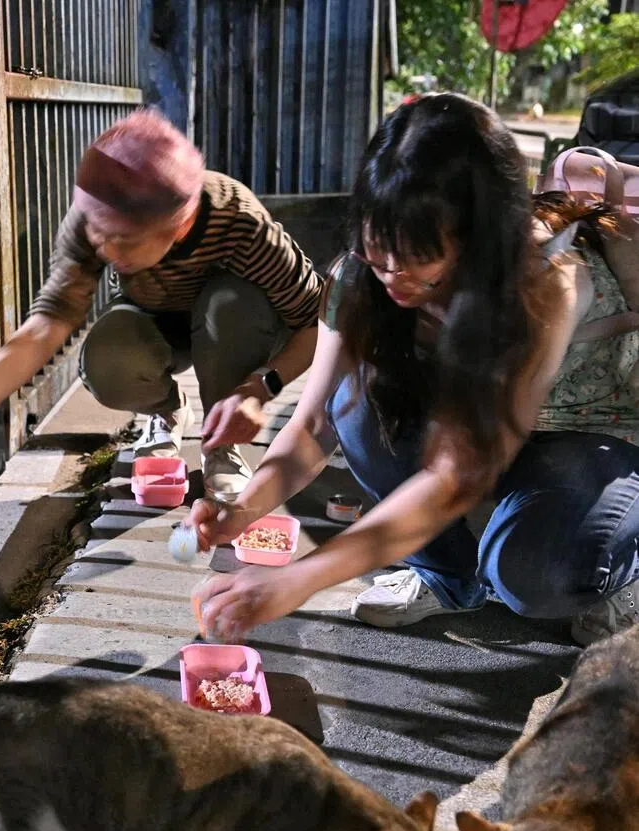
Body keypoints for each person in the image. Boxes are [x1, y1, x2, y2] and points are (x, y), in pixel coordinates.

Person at [188, 93, 639, 647]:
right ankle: (449, 578)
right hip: (481, 428)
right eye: (380, 247)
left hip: (590, 438)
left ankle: (618, 568)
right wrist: (242, 509)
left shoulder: (545, 280)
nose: (393, 273)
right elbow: (310, 427)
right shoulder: (361, 275)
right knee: (355, 403)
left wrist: (301, 578)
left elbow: (455, 477)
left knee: (533, 573)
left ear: (480, 237)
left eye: (420, 254)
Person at [0, 108, 323, 499]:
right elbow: (44, 329)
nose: (106, 248)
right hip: (155, 321)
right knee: (107, 361)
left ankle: (221, 442)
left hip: (233, 327)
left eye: (125, 240)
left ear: (180, 225)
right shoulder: (97, 212)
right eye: (99, 233)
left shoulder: (240, 222)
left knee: (229, 305)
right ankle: (167, 410)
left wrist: (258, 389)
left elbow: (318, 324)